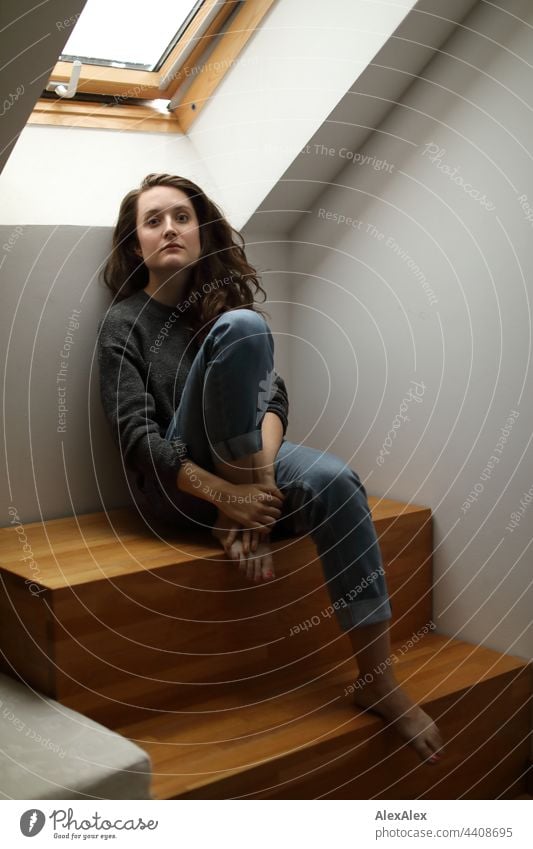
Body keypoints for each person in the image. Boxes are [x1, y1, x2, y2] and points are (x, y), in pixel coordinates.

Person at [97, 172, 443, 764]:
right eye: (153, 221)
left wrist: (256, 482)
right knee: (247, 326)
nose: (170, 229)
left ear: (201, 232)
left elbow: (274, 401)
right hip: (177, 490)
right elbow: (138, 440)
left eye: (181, 217)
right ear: (137, 246)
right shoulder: (124, 324)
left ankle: (377, 678)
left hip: (246, 472)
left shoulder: (216, 309)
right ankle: (244, 506)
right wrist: (228, 496)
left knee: (335, 480)